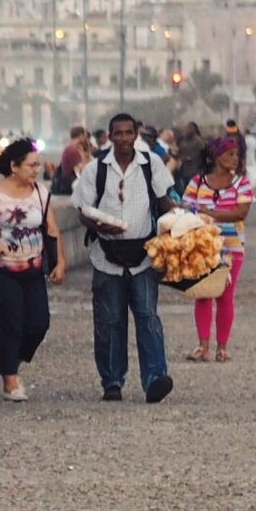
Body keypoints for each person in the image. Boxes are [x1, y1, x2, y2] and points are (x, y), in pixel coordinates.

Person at [72, 110, 176, 404]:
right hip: (107, 257)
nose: (123, 139)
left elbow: (163, 200)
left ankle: (155, 378)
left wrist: (184, 218)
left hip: (143, 256)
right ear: (109, 137)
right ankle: (112, 381)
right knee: (110, 321)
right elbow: (82, 211)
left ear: (136, 135)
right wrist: (98, 225)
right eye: (117, 133)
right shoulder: (95, 169)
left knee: (148, 317)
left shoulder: (150, 164)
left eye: (128, 133)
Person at [0, 139, 64, 401]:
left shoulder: (40, 192)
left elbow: (52, 229)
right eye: (31, 165)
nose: (36, 170)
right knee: (11, 322)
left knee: (39, 323)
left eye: (38, 165)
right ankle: (10, 381)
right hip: (0, 269)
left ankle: (12, 359)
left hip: (33, 268)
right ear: (14, 166)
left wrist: (60, 261)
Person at [181, 136, 252, 364]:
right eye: (230, 154)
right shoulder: (197, 182)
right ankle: (203, 346)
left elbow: (240, 212)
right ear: (215, 156)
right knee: (203, 294)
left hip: (231, 248)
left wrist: (208, 213)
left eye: (237, 155)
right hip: (202, 248)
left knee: (225, 296)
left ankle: (222, 347)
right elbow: (185, 209)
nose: (235, 159)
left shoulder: (242, 184)